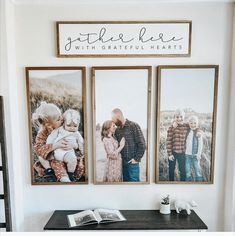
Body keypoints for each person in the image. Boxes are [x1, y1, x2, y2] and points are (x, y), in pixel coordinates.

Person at [32, 101, 85, 182]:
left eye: (61, 116)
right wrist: (55, 145)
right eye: (58, 119)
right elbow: (39, 149)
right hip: (51, 157)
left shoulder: (62, 124)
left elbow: (74, 135)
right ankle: (51, 171)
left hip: (67, 153)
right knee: (42, 157)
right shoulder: (42, 133)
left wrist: (74, 145)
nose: (62, 119)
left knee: (76, 161)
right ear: (49, 125)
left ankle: (70, 173)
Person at [46, 109, 84, 182]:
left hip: (68, 152)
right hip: (58, 151)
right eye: (69, 125)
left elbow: (81, 142)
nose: (72, 128)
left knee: (73, 159)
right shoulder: (59, 130)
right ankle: (62, 175)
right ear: (64, 123)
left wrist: (82, 151)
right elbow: (51, 137)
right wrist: (50, 146)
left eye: (75, 126)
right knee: (57, 164)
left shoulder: (76, 133)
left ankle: (71, 174)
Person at [112, 108, 146, 182]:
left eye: (113, 119)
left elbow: (142, 144)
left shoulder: (133, 126)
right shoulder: (117, 130)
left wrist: (136, 159)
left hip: (132, 164)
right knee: (126, 187)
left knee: (135, 186)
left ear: (119, 116)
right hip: (122, 164)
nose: (113, 121)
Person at [166, 109, 188, 181]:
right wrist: (169, 154)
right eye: (177, 117)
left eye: (181, 117)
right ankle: (170, 183)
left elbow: (195, 126)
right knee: (171, 170)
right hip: (173, 152)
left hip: (182, 152)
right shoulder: (172, 127)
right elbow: (168, 141)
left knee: (182, 170)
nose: (179, 118)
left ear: (183, 117)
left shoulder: (186, 126)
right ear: (174, 117)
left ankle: (183, 184)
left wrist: (199, 131)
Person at [185, 115, 204, 181]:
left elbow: (200, 144)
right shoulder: (187, 131)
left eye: (195, 123)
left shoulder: (198, 133)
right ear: (189, 124)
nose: (193, 125)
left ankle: (199, 184)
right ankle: (188, 184)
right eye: (191, 123)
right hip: (187, 155)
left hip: (195, 156)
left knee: (198, 171)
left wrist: (199, 154)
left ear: (197, 124)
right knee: (187, 171)